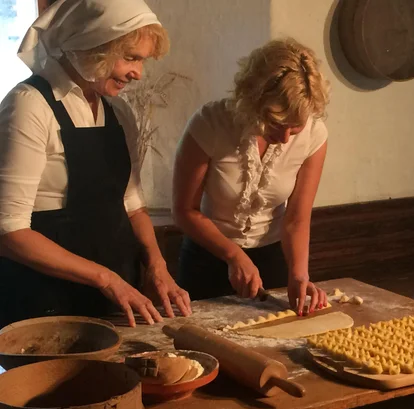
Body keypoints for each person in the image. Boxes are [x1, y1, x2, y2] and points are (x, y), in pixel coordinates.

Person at [0, 0, 191, 328]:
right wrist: (106, 279)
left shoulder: (119, 113)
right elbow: (9, 230)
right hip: (45, 303)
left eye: (142, 60)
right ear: (92, 44)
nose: (138, 73)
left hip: (115, 300)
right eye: (130, 58)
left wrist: (158, 266)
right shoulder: (29, 107)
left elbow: (132, 205)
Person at [173, 38, 329, 315]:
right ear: (253, 100)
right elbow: (185, 211)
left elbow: (296, 218)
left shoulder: (314, 136)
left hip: (273, 258)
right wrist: (233, 254)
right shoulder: (210, 124)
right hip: (206, 259)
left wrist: (299, 275)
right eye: (275, 123)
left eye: (294, 128)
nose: (283, 138)